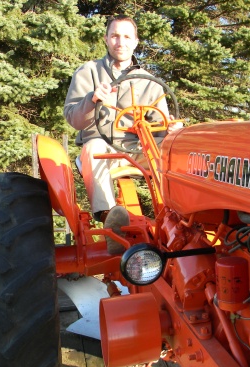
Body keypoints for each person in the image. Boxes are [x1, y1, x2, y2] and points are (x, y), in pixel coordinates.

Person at [64, 15, 178, 253]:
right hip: (102, 146)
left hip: (136, 149)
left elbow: (160, 126)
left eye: (127, 36)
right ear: (106, 39)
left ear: (135, 42)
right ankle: (110, 222)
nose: (120, 41)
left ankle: (177, 222)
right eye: (115, 35)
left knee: (172, 154)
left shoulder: (150, 82)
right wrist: (92, 99)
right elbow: (74, 119)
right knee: (94, 148)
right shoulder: (89, 72)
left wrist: (172, 132)